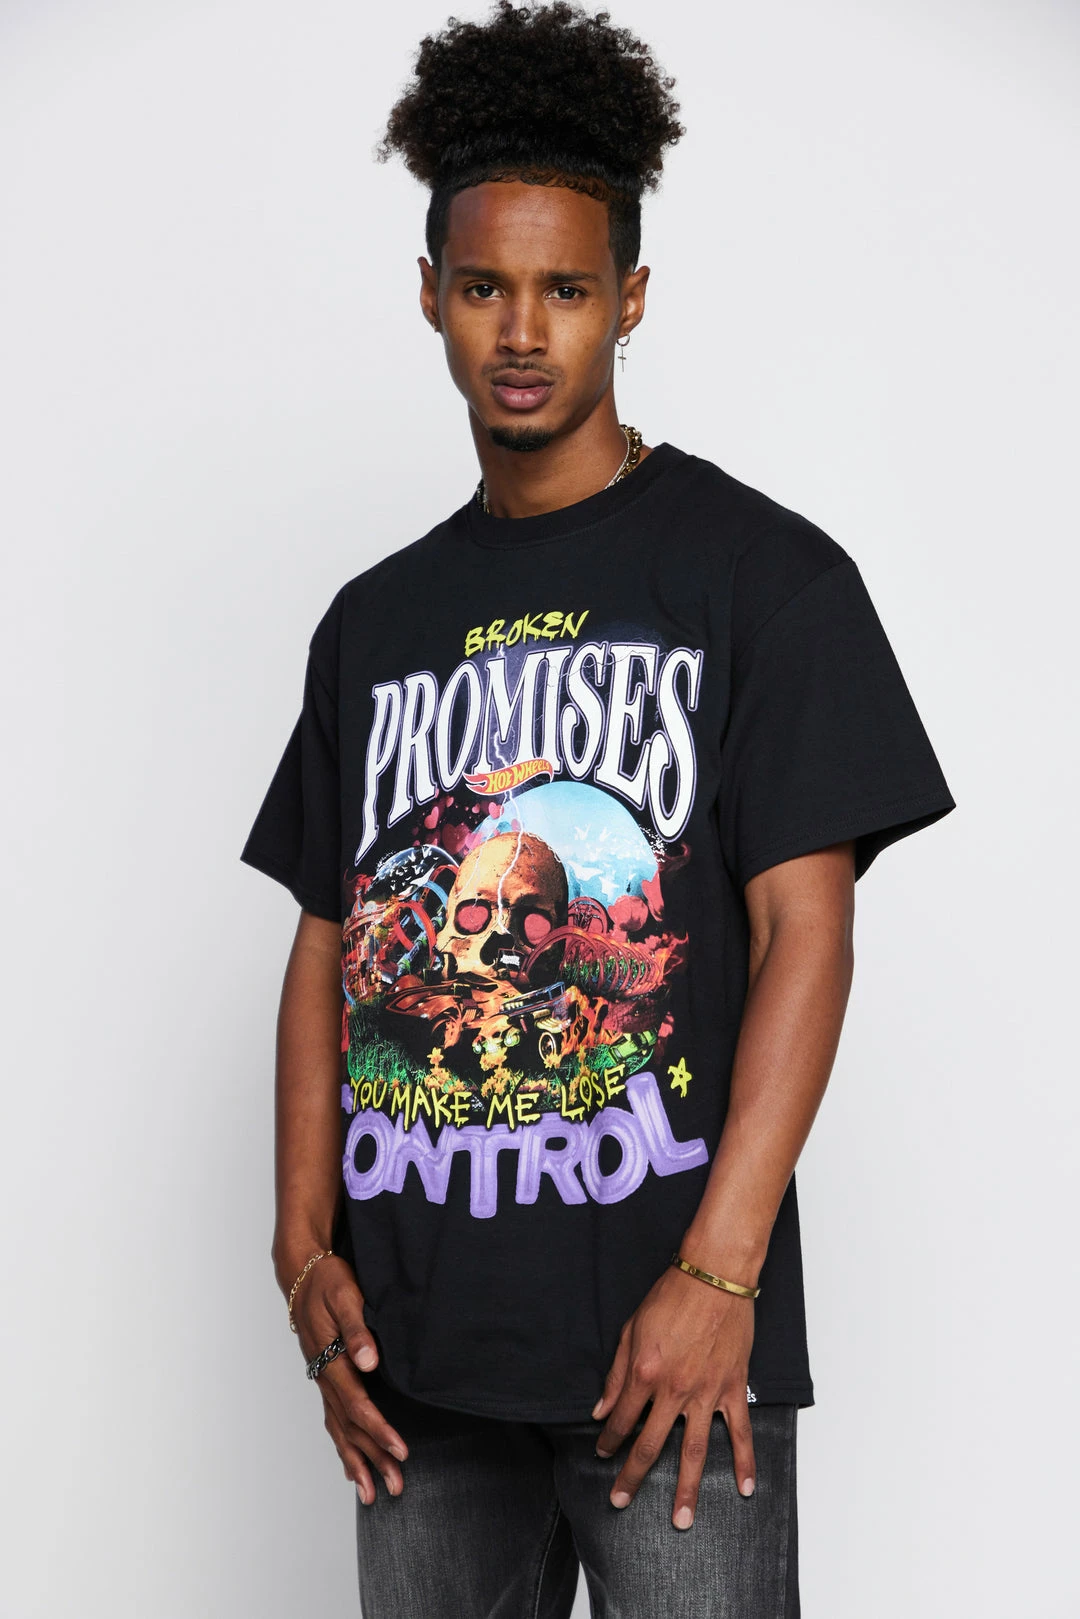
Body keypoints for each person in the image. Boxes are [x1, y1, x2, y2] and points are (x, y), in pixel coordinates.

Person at [239, 4, 955, 1613]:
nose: (521, 331)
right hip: (416, 1366)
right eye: (483, 287)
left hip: (672, 1356)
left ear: (629, 297)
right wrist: (301, 1251)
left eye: (565, 290)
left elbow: (808, 931)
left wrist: (721, 1274)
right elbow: (327, 941)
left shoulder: (765, 578)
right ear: (431, 293)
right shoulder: (375, 622)